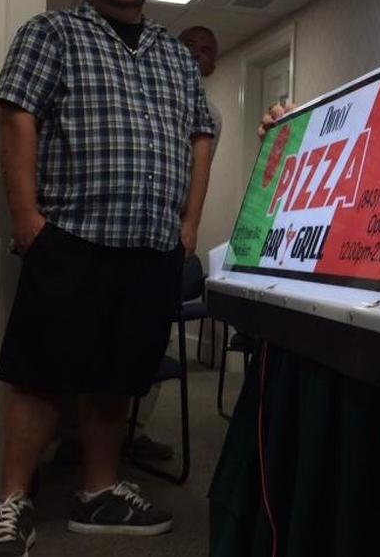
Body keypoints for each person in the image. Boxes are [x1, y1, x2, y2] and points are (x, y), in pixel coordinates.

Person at [0, 0, 215, 556]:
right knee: (39, 373)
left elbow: (201, 136)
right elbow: (17, 117)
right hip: (73, 235)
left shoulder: (175, 54)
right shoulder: (51, 32)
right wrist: (26, 217)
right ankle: (11, 504)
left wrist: (189, 224)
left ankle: (99, 491)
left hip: (151, 245)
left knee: (118, 376)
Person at [123, 24, 223, 462]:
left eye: (207, 50)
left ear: (213, 63)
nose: (198, 54)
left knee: (154, 336)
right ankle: (77, 435)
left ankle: (135, 429)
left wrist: (189, 225)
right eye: (191, 46)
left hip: (168, 234)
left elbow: (197, 174)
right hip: (120, 228)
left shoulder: (212, 116)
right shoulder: (143, 90)